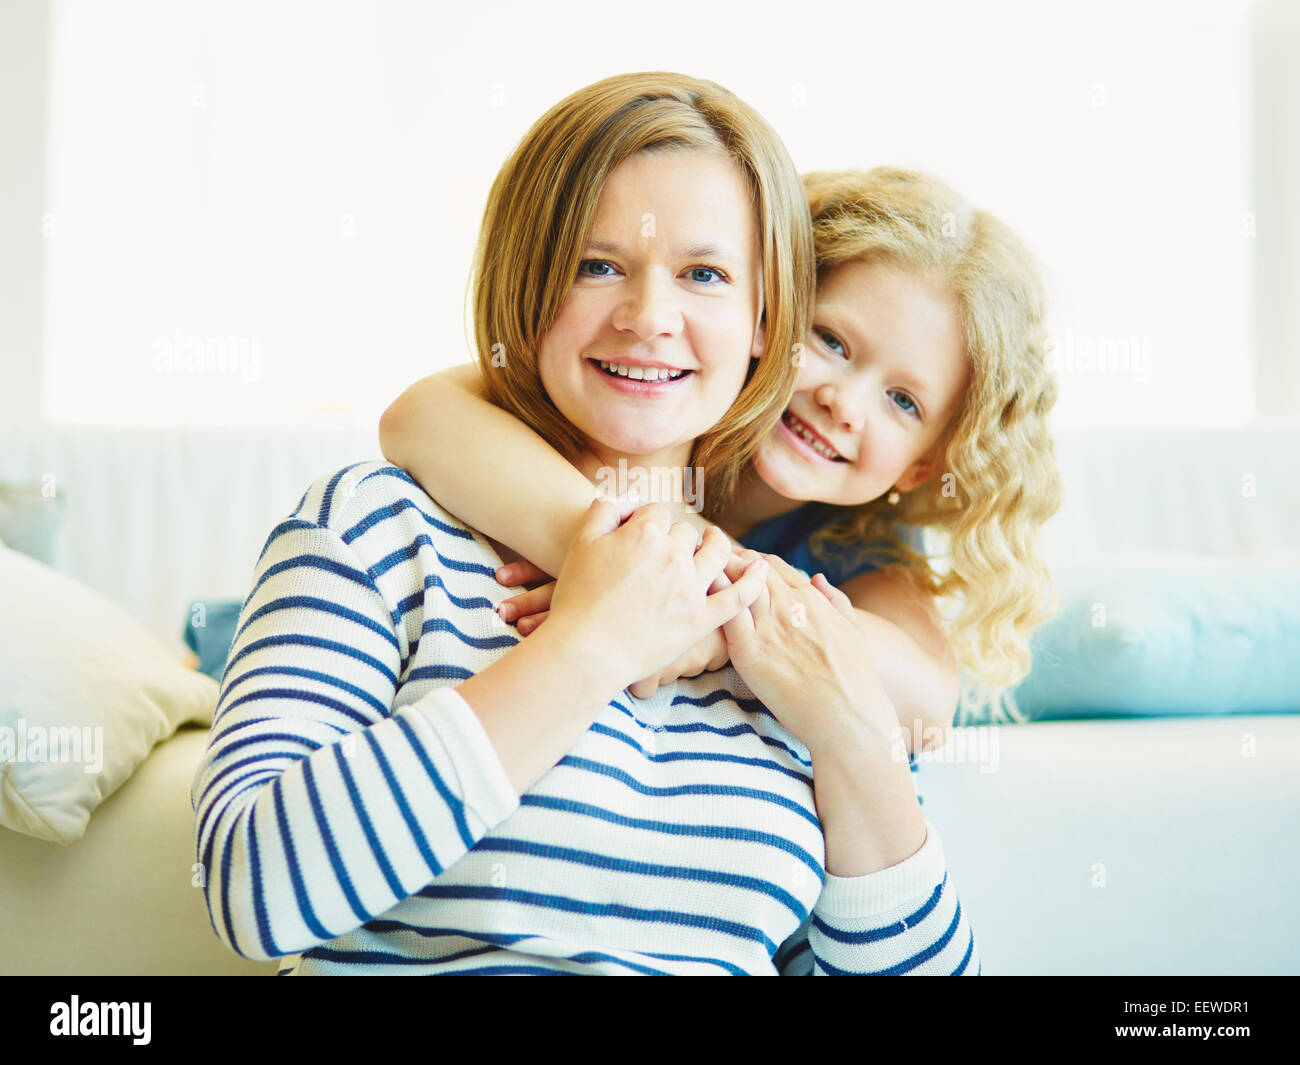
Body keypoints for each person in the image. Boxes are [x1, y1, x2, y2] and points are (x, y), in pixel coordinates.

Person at [192, 72, 979, 975]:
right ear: (527, 286)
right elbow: (251, 891)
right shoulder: (375, 524)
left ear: (766, 319)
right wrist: (593, 645)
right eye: (595, 265)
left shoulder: (812, 638)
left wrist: (850, 732)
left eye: (705, 275)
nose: (648, 317)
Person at [379, 166, 1064, 737]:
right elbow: (418, 417)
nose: (844, 404)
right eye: (831, 341)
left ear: (923, 464)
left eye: (904, 401)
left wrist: (711, 623)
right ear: (764, 314)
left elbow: (925, 705)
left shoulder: (864, 545)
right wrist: (621, 573)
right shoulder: (646, 406)